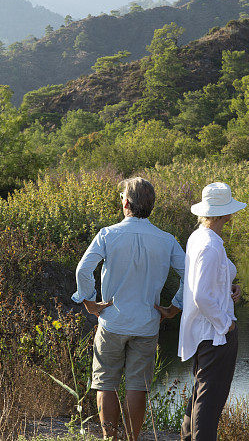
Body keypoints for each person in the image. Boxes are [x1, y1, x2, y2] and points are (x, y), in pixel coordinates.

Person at [71, 177, 186, 441]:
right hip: (147, 324)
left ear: (125, 202)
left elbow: (83, 269)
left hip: (111, 321)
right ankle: (132, 439)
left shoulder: (108, 234)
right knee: (138, 386)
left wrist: (88, 300)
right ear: (151, 205)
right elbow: (189, 275)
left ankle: (110, 439)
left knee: (105, 383)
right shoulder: (166, 239)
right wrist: (173, 308)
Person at [178, 182, 245, 441]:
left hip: (205, 332)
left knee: (201, 394)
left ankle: (186, 438)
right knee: (210, 402)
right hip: (214, 335)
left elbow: (209, 282)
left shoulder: (201, 237)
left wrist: (230, 285)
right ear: (225, 213)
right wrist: (225, 324)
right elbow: (201, 295)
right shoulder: (209, 245)